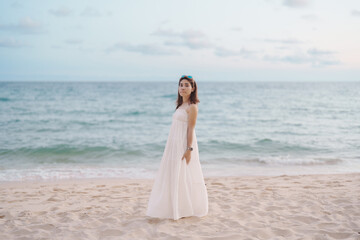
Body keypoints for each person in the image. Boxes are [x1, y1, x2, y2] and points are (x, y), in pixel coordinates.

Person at [146, 75, 208, 220]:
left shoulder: (192, 107)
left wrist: (189, 149)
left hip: (184, 144)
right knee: (173, 173)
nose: (183, 88)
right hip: (173, 143)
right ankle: (173, 207)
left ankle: (184, 208)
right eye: (181, 85)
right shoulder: (180, 105)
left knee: (184, 174)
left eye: (186, 85)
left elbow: (191, 129)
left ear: (193, 89)